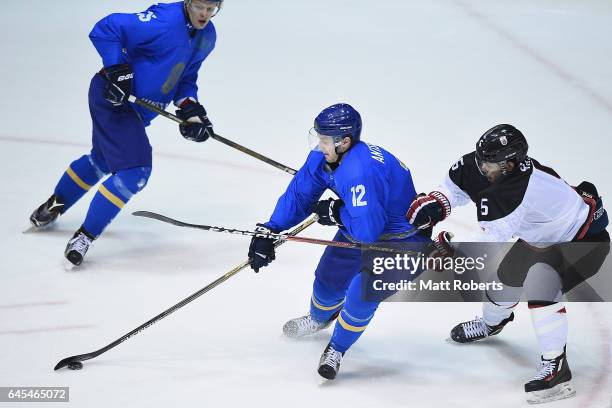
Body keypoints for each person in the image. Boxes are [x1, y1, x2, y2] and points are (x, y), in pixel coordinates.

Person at [406, 124, 609, 403]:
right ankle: (492, 324)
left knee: (541, 285)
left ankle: (556, 365)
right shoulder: (485, 165)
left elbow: (489, 241)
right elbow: (454, 187)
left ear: (510, 163)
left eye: (488, 164)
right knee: (503, 285)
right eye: (480, 160)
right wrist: (437, 203)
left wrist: (449, 245)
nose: (481, 167)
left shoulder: (515, 191)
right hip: (540, 239)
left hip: (584, 244)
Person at [29, 0, 222, 267]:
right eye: (200, 6)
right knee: (135, 170)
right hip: (114, 101)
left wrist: (190, 109)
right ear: (189, 1)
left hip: (137, 111)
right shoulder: (163, 20)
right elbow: (105, 28)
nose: (204, 13)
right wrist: (115, 68)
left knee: (103, 160)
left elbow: (185, 77)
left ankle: (54, 204)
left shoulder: (207, 37)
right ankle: (84, 237)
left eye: (211, 8)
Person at [247, 103, 430, 379]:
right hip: (358, 223)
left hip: (401, 242)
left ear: (344, 141)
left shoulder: (360, 172)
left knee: (361, 296)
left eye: (324, 141)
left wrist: (336, 212)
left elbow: (369, 230)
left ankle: (337, 347)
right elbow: (300, 196)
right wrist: (271, 229)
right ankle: (321, 318)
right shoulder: (323, 157)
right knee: (326, 283)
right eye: (317, 138)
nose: (319, 146)